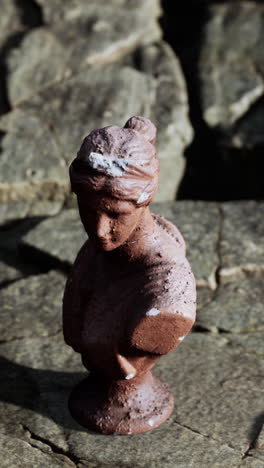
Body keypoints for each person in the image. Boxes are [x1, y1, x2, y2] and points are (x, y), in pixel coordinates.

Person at [63, 116, 196, 435]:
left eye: (116, 214)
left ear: (144, 201)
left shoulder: (168, 295)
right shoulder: (98, 253)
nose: (99, 229)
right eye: (89, 209)